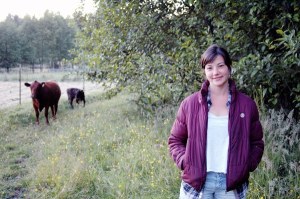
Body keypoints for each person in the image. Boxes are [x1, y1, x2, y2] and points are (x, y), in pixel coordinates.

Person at [168, 44, 264, 199]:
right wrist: (186, 161)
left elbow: (257, 142)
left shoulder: (247, 105)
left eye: (220, 66)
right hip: (197, 182)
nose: (215, 72)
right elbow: (175, 140)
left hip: (231, 184)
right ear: (205, 71)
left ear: (229, 68)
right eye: (209, 67)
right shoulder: (190, 104)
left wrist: (247, 165)